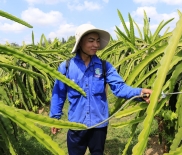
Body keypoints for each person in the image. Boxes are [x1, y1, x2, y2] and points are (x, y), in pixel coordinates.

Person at [49, 23, 152, 155]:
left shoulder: (104, 66)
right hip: (76, 124)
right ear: (80, 43)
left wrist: (140, 93)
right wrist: (55, 118)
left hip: (99, 124)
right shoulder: (67, 67)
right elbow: (59, 94)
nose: (96, 45)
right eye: (91, 41)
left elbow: (120, 88)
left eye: (98, 41)